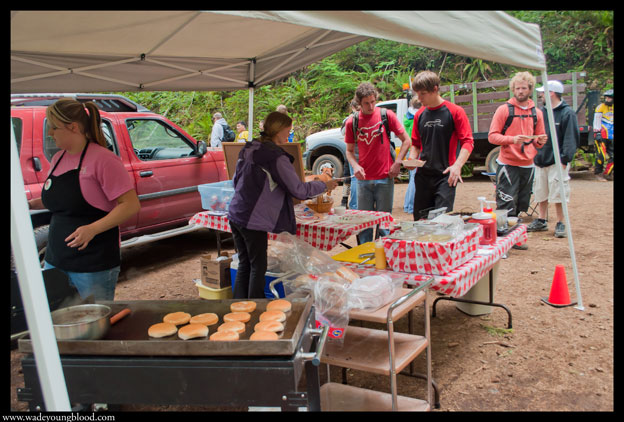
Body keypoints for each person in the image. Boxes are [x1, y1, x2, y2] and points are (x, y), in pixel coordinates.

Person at [28, 98, 140, 300]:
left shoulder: (103, 160)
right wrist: (28, 205)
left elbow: (130, 205)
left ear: (73, 127)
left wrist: (92, 229)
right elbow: (62, 199)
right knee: (60, 317)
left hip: (92, 263)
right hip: (56, 258)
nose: (49, 133)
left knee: (96, 323)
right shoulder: (58, 158)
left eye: (54, 127)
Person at [227, 111, 338, 298]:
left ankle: (238, 308)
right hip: (252, 219)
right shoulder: (275, 157)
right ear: (279, 130)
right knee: (257, 267)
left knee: (245, 264)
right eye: (288, 129)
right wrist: (323, 185)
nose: (289, 133)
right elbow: (299, 190)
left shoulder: (250, 148)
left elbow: (235, 180)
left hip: (236, 212)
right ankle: (255, 309)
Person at [345, 82, 411, 243]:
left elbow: (406, 141)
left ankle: (384, 257)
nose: (370, 106)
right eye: (366, 103)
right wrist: (355, 166)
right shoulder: (352, 122)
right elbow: (349, 151)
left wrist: (398, 163)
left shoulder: (386, 115)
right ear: (359, 103)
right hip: (363, 180)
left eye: (373, 101)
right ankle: (366, 258)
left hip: (385, 177)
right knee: (364, 223)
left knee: (384, 223)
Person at [406, 71, 474, 220]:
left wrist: (457, 166)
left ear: (435, 89)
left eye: (423, 94)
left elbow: (467, 142)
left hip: (445, 175)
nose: (420, 98)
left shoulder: (455, 111)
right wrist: (412, 159)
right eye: (418, 94)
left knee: (441, 222)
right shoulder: (419, 115)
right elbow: (416, 144)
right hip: (423, 176)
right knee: (420, 221)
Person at [488, 72, 548, 219]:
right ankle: (506, 237)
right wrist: (512, 139)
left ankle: (516, 238)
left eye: (523, 88)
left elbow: (538, 140)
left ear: (530, 89)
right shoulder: (504, 110)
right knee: (506, 203)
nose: (520, 91)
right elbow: (492, 137)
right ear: (513, 90)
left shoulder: (537, 113)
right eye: (517, 88)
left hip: (528, 164)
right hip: (508, 163)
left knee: (522, 204)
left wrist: (540, 141)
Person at [527, 80, 580, 238]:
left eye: (543, 92)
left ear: (551, 93)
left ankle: (561, 222)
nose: (540, 95)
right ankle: (541, 220)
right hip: (540, 160)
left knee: (559, 193)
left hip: (557, 162)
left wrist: (565, 159)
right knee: (540, 191)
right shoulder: (541, 112)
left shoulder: (567, 113)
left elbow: (571, 138)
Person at [340, 98, 360, 209]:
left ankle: (351, 203)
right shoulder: (355, 119)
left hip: (350, 152)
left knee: (351, 179)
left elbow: (343, 133)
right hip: (356, 152)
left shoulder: (348, 120)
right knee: (353, 179)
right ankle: (351, 203)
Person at [403, 96, 421, 214]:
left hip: (410, 150)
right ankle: (410, 207)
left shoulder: (407, 117)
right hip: (415, 150)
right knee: (415, 179)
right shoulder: (416, 118)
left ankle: (408, 206)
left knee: (412, 178)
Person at [593, 89, 614, 181]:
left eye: (609, 98)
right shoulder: (600, 107)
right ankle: (598, 173)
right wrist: (597, 133)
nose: (607, 99)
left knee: (613, 157)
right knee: (601, 155)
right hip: (601, 135)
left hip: (612, 135)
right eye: (606, 97)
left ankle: (607, 173)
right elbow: (596, 121)